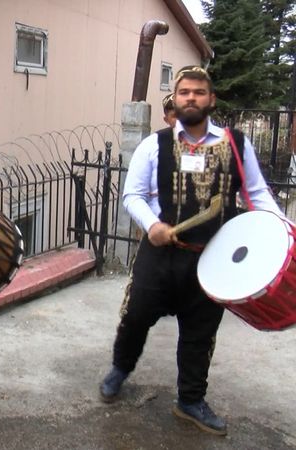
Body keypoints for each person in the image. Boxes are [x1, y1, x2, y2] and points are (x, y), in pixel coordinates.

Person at [98, 66, 284, 435]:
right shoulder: (155, 144)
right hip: (161, 253)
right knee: (135, 316)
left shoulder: (236, 145)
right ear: (176, 99)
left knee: (200, 332)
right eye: (184, 92)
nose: (191, 98)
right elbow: (132, 195)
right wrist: (152, 225)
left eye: (199, 92)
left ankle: (190, 400)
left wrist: (280, 230)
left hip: (213, 256)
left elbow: (259, 194)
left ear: (211, 99)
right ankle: (121, 367)